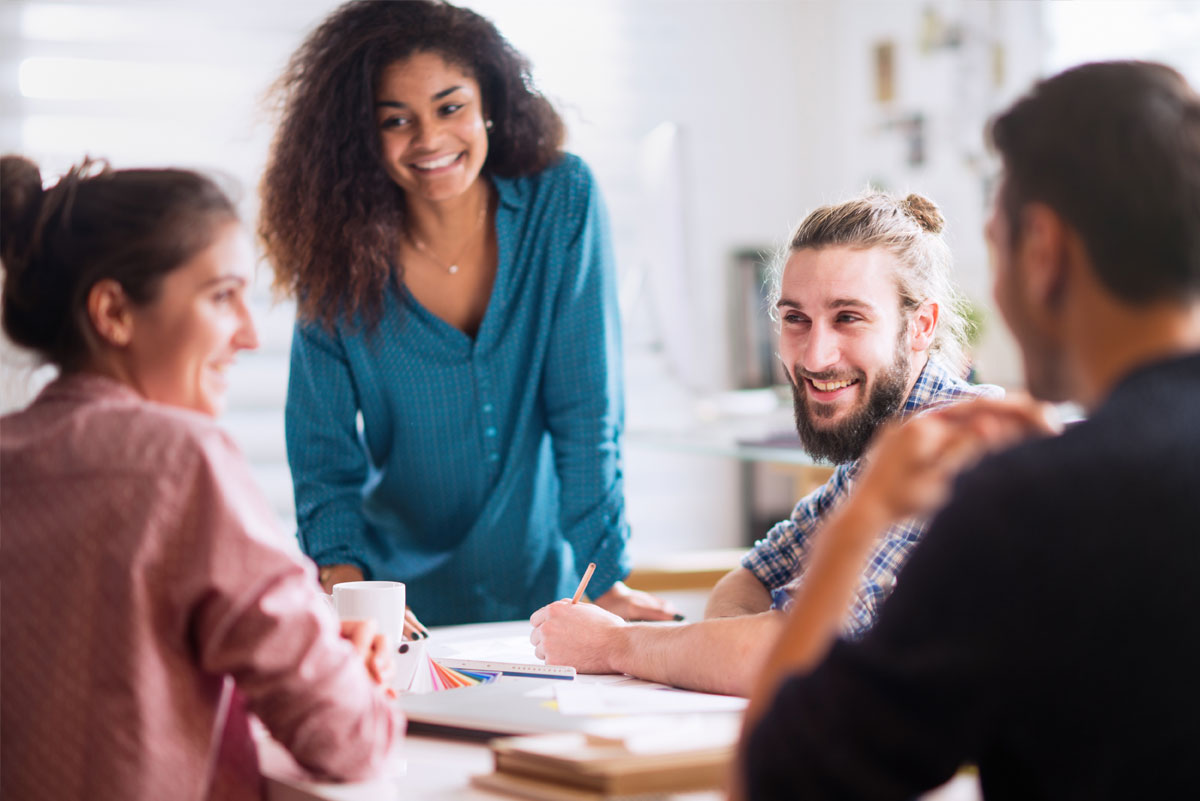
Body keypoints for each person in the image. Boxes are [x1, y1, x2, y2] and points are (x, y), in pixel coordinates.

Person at [740, 60, 1200, 799]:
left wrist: (859, 524)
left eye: (996, 240)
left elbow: (784, 779)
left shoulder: (1030, 502)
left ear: (1043, 251)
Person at [259, 0, 673, 627]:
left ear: (489, 104)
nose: (429, 140)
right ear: (359, 136)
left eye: (450, 107)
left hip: (550, 598)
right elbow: (322, 458)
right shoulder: (335, 254)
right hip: (396, 612)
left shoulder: (562, 203)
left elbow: (587, 411)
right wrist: (349, 597)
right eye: (396, 120)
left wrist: (605, 578)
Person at [0, 155, 402, 801]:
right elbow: (349, 739)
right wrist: (351, 680)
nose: (248, 333)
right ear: (113, 312)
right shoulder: (182, 460)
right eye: (221, 296)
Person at [530, 191, 1002, 696]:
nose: (816, 357)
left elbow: (794, 653)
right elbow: (749, 578)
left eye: (848, 318)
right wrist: (735, 644)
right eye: (796, 319)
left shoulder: (949, 444)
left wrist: (614, 647)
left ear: (921, 326)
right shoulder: (878, 443)